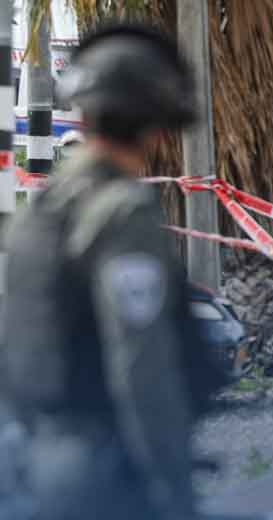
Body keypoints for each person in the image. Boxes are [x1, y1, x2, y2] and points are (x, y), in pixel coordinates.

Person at [2, 24, 221, 519]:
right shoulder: (123, 211)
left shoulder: (41, 210)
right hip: (104, 469)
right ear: (159, 126)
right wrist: (172, 485)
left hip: (32, 460)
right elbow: (139, 362)